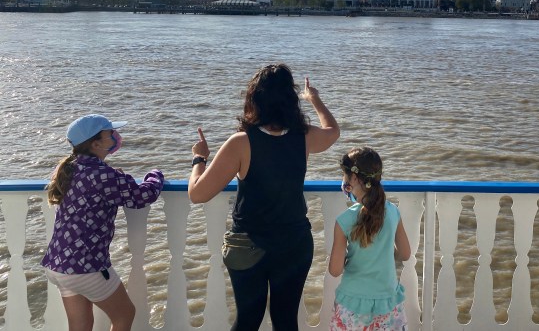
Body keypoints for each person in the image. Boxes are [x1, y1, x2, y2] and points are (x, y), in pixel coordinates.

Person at [188, 63, 340, 331]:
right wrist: (314, 99)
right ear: (290, 99)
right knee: (286, 321)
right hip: (294, 243)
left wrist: (199, 158)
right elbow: (332, 132)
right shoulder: (303, 137)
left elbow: (198, 194)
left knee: (247, 320)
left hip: (249, 245)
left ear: (254, 99)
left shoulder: (241, 142)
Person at [42, 114, 165, 331]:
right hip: (86, 266)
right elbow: (142, 196)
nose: (116, 136)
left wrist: (117, 177)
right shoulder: (103, 175)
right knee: (125, 315)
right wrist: (156, 175)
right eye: (111, 133)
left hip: (59, 264)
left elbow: (98, 187)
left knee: (80, 325)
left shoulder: (70, 169)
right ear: (96, 144)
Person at [328, 147, 411, 331]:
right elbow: (405, 254)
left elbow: (335, 270)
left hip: (353, 303)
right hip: (387, 301)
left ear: (354, 179)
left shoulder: (344, 220)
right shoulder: (393, 212)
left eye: (345, 175)